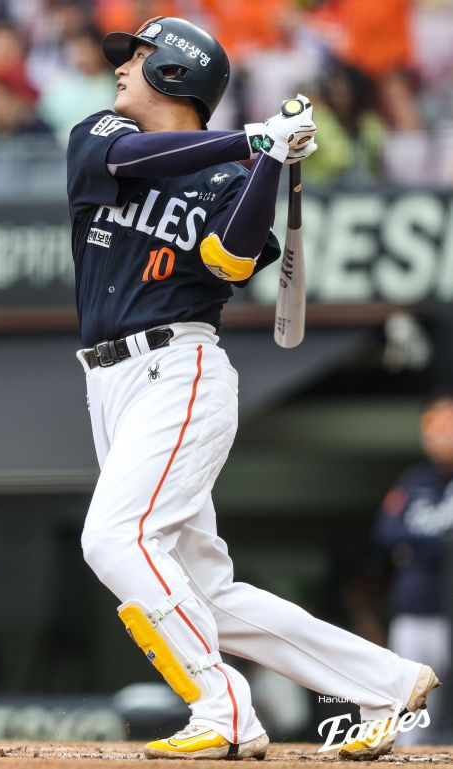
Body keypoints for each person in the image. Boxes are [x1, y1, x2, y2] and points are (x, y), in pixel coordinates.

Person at [66, 16, 439, 761]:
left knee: (114, 538)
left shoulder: (231, 178)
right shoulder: (101, 132)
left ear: (175, 72)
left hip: (178, 370)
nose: (122, 68)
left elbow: (231, 261)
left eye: (138, 57)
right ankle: (387, 681)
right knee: (207, 591)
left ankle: (224, 708)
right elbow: (133, 158)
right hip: (107, 381)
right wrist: (255, 138)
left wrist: (270, 160)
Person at [375, 392, 453, 744]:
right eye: (433, 425)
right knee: (409, 701)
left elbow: (409, 542)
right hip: (414, 610)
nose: (440, 434)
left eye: (448, 425)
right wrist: (438, 544)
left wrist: (416, 546)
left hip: (448, 608)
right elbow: (386, 532)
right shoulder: (414, 479)